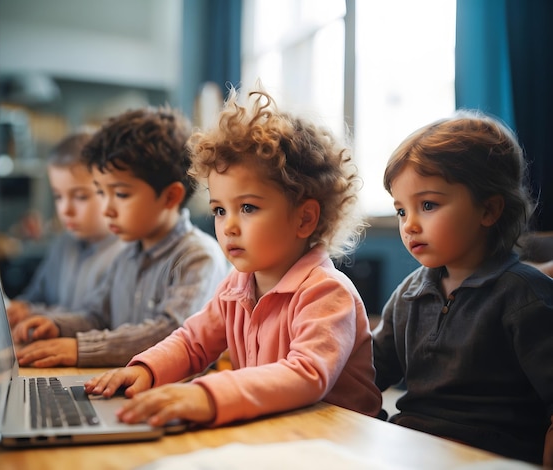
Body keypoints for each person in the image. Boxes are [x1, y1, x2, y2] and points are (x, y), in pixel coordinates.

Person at [84, 87, 382, 428]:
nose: (229, 227)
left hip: (338, 443)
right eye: (220, 210)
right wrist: (145, 369)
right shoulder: (236, 287)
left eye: (248, 208)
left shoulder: (327, 293)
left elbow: (305, 374)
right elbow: (193, 341)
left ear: (305, 219)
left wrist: (207, 395)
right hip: (274, 431)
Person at [371, 110, 553, 466]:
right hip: (408, 444)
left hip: (487, 454)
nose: (409, 225)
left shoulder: (524, 295)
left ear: (488, 210)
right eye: (400, 211)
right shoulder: (409, 293)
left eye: (427, 205)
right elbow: (370, 372)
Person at [11, 107, 229, 368]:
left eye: (121, 194)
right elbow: (96, 316)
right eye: (102, 193)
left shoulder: (198, 256)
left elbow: (171, 332)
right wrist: (57, 326)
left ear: (170, 197)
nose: (107, 209)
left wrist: (82, 348)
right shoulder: (128, 254)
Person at [6, 133, 125, 327]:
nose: (65, 210)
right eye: (58, 196)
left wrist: (34, 313)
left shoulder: (126, 254)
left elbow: (92, 321)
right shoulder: (63, 244)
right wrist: (21, 307)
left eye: (80, 197)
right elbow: (35, 297)